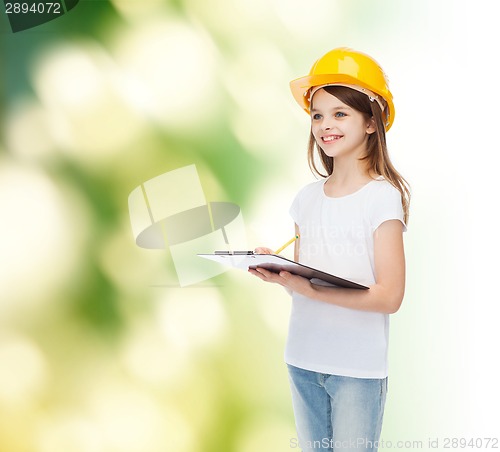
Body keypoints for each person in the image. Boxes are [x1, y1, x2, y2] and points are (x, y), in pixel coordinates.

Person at [249, 47, 410, 452]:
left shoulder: (382, 199)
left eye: (340, 114)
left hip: (356, 368)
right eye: (318, 115)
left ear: (371, 122)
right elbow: (306, 280)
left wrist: (312, 290)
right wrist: (280, 271)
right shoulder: (306, 199)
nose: (325, 125)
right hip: (303, 358)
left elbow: (389, 297)